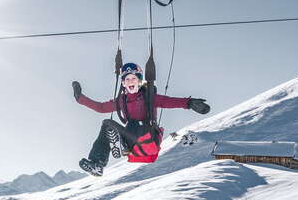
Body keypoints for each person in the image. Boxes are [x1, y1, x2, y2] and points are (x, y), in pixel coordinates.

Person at [72, 62, 210, 175]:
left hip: (148, 139)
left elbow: (169, 101)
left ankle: (122, 145)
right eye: (127, 79)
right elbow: (101, 108)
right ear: (123, 84)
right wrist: (80, 99)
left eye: (134, 78)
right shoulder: (122, 101)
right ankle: (97, 164)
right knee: (107, 124)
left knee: (133, 123)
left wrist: (189, 103)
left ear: (139, 81)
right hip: (133, 143)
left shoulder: (149, 97)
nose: (130, 82)